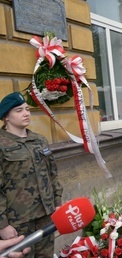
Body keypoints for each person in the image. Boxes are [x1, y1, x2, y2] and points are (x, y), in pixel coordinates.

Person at [0, 92, 63, 257]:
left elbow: (53, 174)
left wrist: (57, 203)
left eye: (27, 109)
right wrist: (2, 225)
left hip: (46, 215)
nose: (26, 113)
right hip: (18, 222)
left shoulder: (39, 140)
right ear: (6, 116)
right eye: (19, 110)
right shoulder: (1, 144)